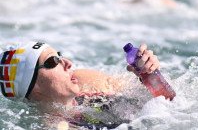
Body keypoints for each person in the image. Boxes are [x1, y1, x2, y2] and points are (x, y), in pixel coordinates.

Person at [0, 41, 160, 128]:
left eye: (60, 56)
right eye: (53, 61)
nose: (68, 63)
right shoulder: (56, 126)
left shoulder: (85, 80)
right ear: (34, 88)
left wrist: (146, 75)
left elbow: (170, 101)